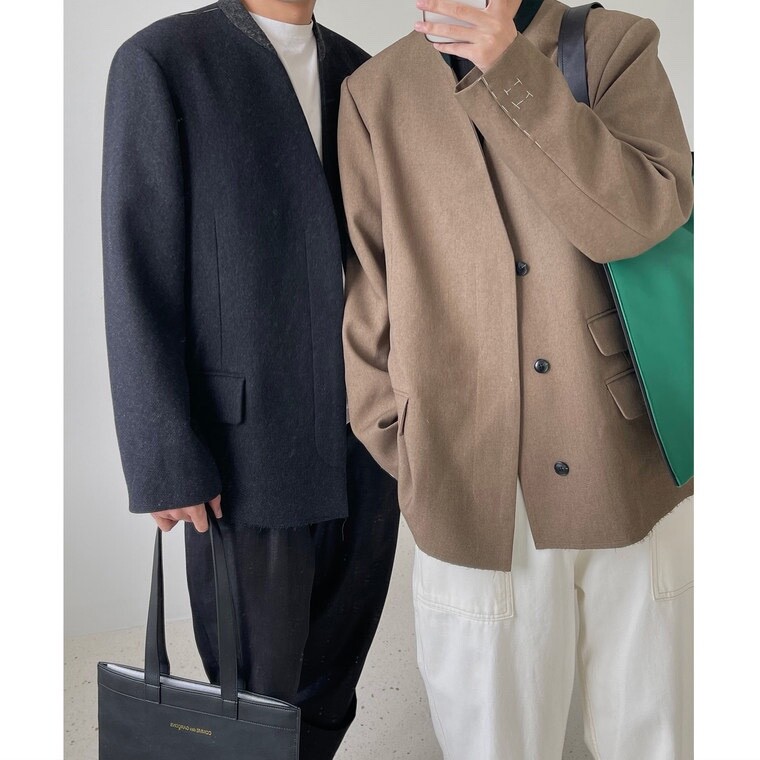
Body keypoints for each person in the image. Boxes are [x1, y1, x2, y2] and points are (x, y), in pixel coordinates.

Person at [338, 0, 693, 757]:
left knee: (653, 736)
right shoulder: (376, 92)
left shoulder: (614, 45)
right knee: (491, 742)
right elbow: (369, 290)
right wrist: (406, 441)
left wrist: (512, 70)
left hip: (625, 466)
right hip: (469, 484)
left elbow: (640, 219)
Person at [102, 1, 399, 757]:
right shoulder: (165, 61)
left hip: (370, 443)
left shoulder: (362, 72)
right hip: (244, 455)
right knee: (254, 700)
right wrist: (163, 456)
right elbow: (137, 269)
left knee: (333, 686)